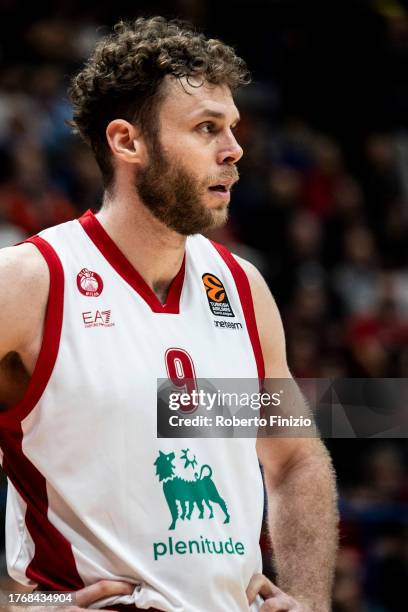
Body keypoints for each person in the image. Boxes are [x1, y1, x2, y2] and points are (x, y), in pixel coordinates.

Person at [0, 17, 338, 612]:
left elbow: (292, 458)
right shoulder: (31, 281)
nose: (235, 149)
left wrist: (308, 600)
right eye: (207, 128)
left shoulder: (241, 287)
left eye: (232, 126)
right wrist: (19, 604)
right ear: (128, 142)